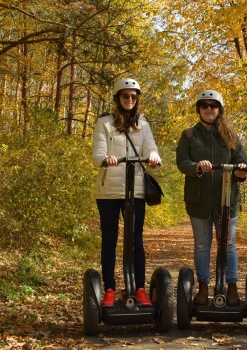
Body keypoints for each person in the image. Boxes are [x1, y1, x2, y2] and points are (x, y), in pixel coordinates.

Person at [92, 78, 161, 307]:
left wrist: (153, 157)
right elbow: (97, 152)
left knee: (135, 240)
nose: (129, 100)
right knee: (109, 240)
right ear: (117, 98)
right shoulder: (105, 122)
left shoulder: (142, 123)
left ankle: (139, 288)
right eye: (125, 96)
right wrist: (105, 158)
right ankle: (110, 289)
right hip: (108, 191)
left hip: (136, 190)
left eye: (133, 96)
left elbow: (150, 147)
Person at [176, 89, 247, 306]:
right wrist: (196, 166)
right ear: (198, 109)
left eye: (213, 105)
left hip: (227, 201)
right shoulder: (189, 135)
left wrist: (241, 171)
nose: (209, 108)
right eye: (205, 105)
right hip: (199, 202)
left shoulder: (231, 136)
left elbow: (241, 161)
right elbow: (182, 161)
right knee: (202, 245)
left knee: (229, 245)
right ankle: (204, 286)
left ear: (219, 110)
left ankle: (232, 286)